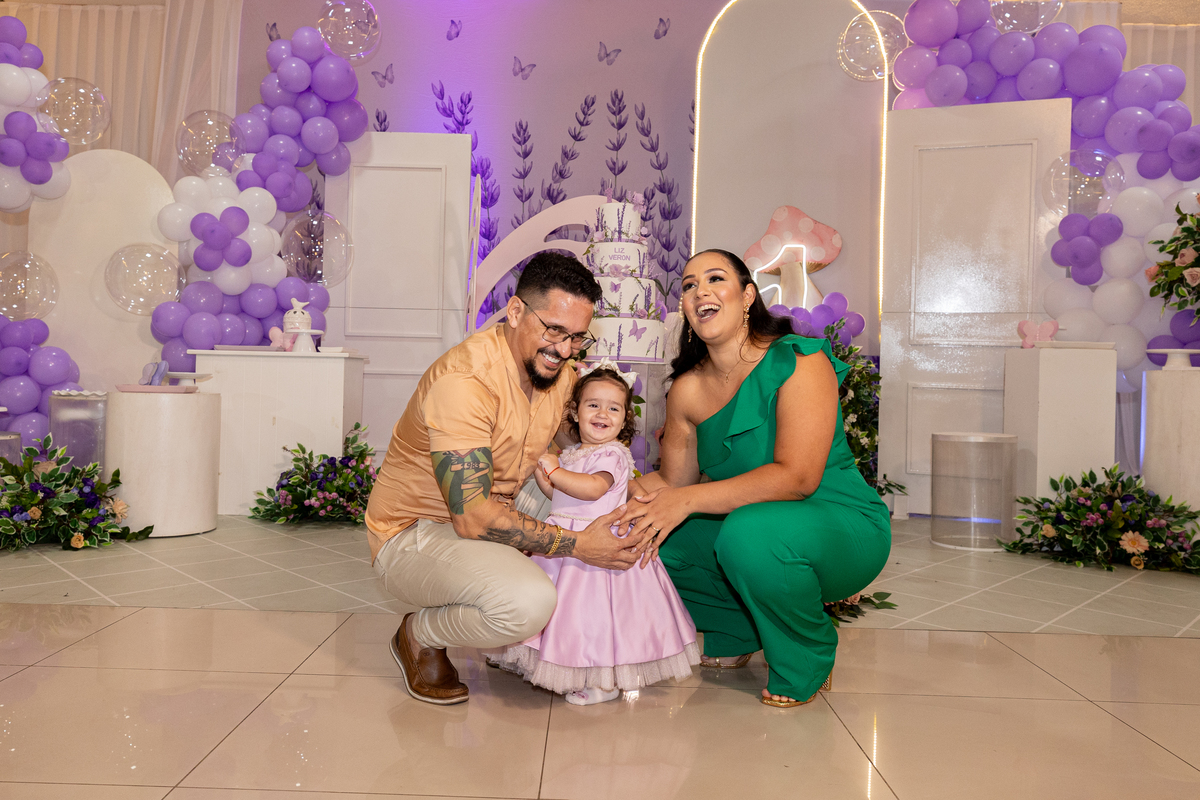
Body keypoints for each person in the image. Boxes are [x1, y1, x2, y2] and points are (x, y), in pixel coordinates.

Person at [366, 252, 649, 706]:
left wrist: (634, 498)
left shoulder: (556, 374)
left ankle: (557, 643)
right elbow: (474, 519)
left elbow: (587, 453)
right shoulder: (465, 381)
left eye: (577, 337)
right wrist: (579, 544)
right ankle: (419, 634)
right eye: (553, 330)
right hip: (415, 534)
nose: (564, 350)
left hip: (502, 505)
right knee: (528, 603)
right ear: (516, 312)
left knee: (597, 503)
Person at [618, 248, 891, 708]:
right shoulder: (687, 388)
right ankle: (737, 630)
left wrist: (687, 501)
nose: (699, 291)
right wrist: (607, 493)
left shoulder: (798, 361)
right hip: (752, 524)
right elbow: (673, 483)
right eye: (688, 285)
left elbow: (797, 478)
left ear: (747, 295)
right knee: (649, 537)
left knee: (747, 534)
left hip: (842, 524)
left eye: (715, 279)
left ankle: (808, 654)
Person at [498, 360, 699, 705]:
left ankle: (602, 682)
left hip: (599, 546)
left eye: (614, 408)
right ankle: (566, 665)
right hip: (565, 539)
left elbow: (592, 489)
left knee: (595, 615)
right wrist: (546, 477)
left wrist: (555, 470)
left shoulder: (613, 455)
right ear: (575, 412)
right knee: (564, 614)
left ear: (625, 418)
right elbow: (561, 495)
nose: (603, 413)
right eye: (593, 405)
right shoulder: (573, 452)